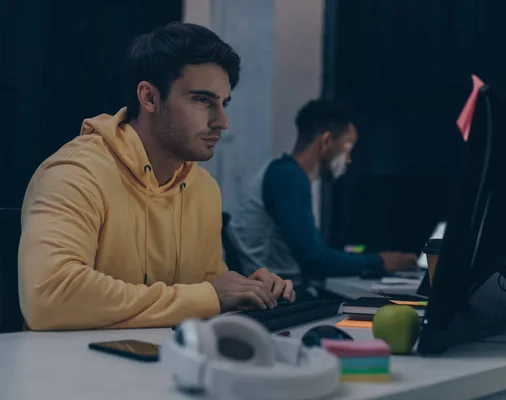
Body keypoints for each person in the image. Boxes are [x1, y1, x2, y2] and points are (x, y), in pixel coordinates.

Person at [18, 22, 295, 331]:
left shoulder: (204, 188)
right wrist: (209, 296)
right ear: (149, 97)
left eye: (223, 103)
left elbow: (207, 288)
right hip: (65, 372)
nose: (222, 121)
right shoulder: (76, 173)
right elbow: (49, 297)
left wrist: (246, 291)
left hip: (163, 367)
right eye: (202, 100)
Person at [230, 99, 418, 289]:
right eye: (348, 148)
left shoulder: (283, 172)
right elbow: (315, 260)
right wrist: (380, 262)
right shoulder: (288, 177)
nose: (349, 160)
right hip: (274, 297)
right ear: (326, 141)